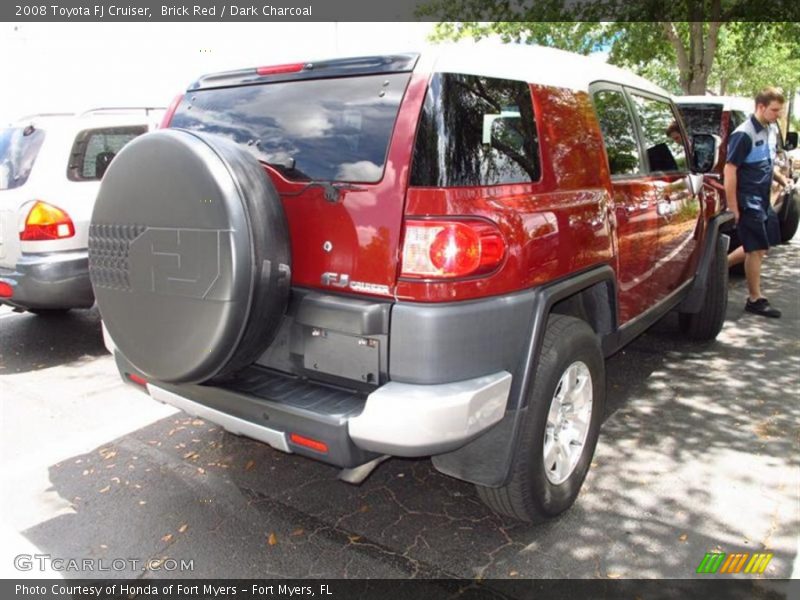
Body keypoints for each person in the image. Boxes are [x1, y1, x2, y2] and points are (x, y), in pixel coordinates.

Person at [724, 87, 788, 318]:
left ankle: (719, 266)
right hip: (747, 198)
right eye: (775, 110)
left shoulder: (770, 129)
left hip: (763, 199)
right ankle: (755, 299)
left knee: (762, 246)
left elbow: (767, 163)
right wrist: (733, 206)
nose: (778, 114)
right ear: (761, 107)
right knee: (755, 249)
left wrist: (781, 179)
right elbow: (730, 170)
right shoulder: (744, 133)